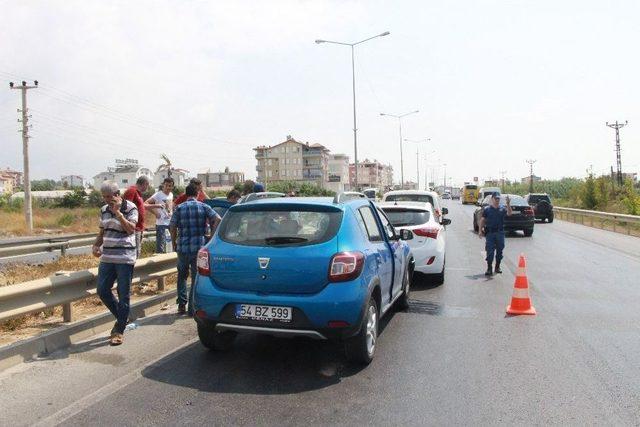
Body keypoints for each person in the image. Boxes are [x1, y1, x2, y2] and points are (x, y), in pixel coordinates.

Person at [92, 181, 138, 346]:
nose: (106, 200)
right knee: (102, 290)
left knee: (123, 293)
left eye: (109, 197)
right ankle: (123, 317)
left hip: (124, 257)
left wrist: (118, 213)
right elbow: (102, 231)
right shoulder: (104, 210)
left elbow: (131, 229)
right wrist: (96, 245)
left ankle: (118, 330)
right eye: (104, 197)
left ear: (118, 194)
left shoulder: (130, 207)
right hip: (108, 257)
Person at [170, 183, 221, 315]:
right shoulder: (203, 206)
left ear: (186, 194)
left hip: (182, 247)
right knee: (195, 278)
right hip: (199, 247)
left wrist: (175, 241)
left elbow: (172, 226)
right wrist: (211, 237)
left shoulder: (179, 208)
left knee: (181, 276)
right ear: (197, 193)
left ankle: (181, 304)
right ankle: (192, 308)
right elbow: (218, 218)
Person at [478, 192, 513, 276]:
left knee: (500, 251)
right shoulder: (487, 209)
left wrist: (508, 204)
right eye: (495, 198)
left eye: (498, 199)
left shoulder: (502, 209)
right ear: (492, 199)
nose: (497, 200)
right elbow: (482, 220)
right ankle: (489, 268)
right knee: (490, 251)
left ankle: (497, 267)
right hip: (490, 233)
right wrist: (480, 230)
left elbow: (509, 213)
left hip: (500, 233)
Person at [123, 176, 151, 258]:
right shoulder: (132, 191)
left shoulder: (138, 193)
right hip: (134, 228)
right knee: (134, 251)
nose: (147, 187)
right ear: (145, 184)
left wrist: (156, 206)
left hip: (139, 227)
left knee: (137, 250)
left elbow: (142, 206)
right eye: (147, 185)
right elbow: (126, 208)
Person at [145, 177, 174, 253]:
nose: (168, 187)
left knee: (170, 245)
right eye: (166, 185)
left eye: (170, 186)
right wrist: (155, 213)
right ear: (163, 185)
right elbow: (145, 203)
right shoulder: (158, 194)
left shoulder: (171, 194)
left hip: (170, 222)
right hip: (161, 224)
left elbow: (170, 206)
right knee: (161, 245)